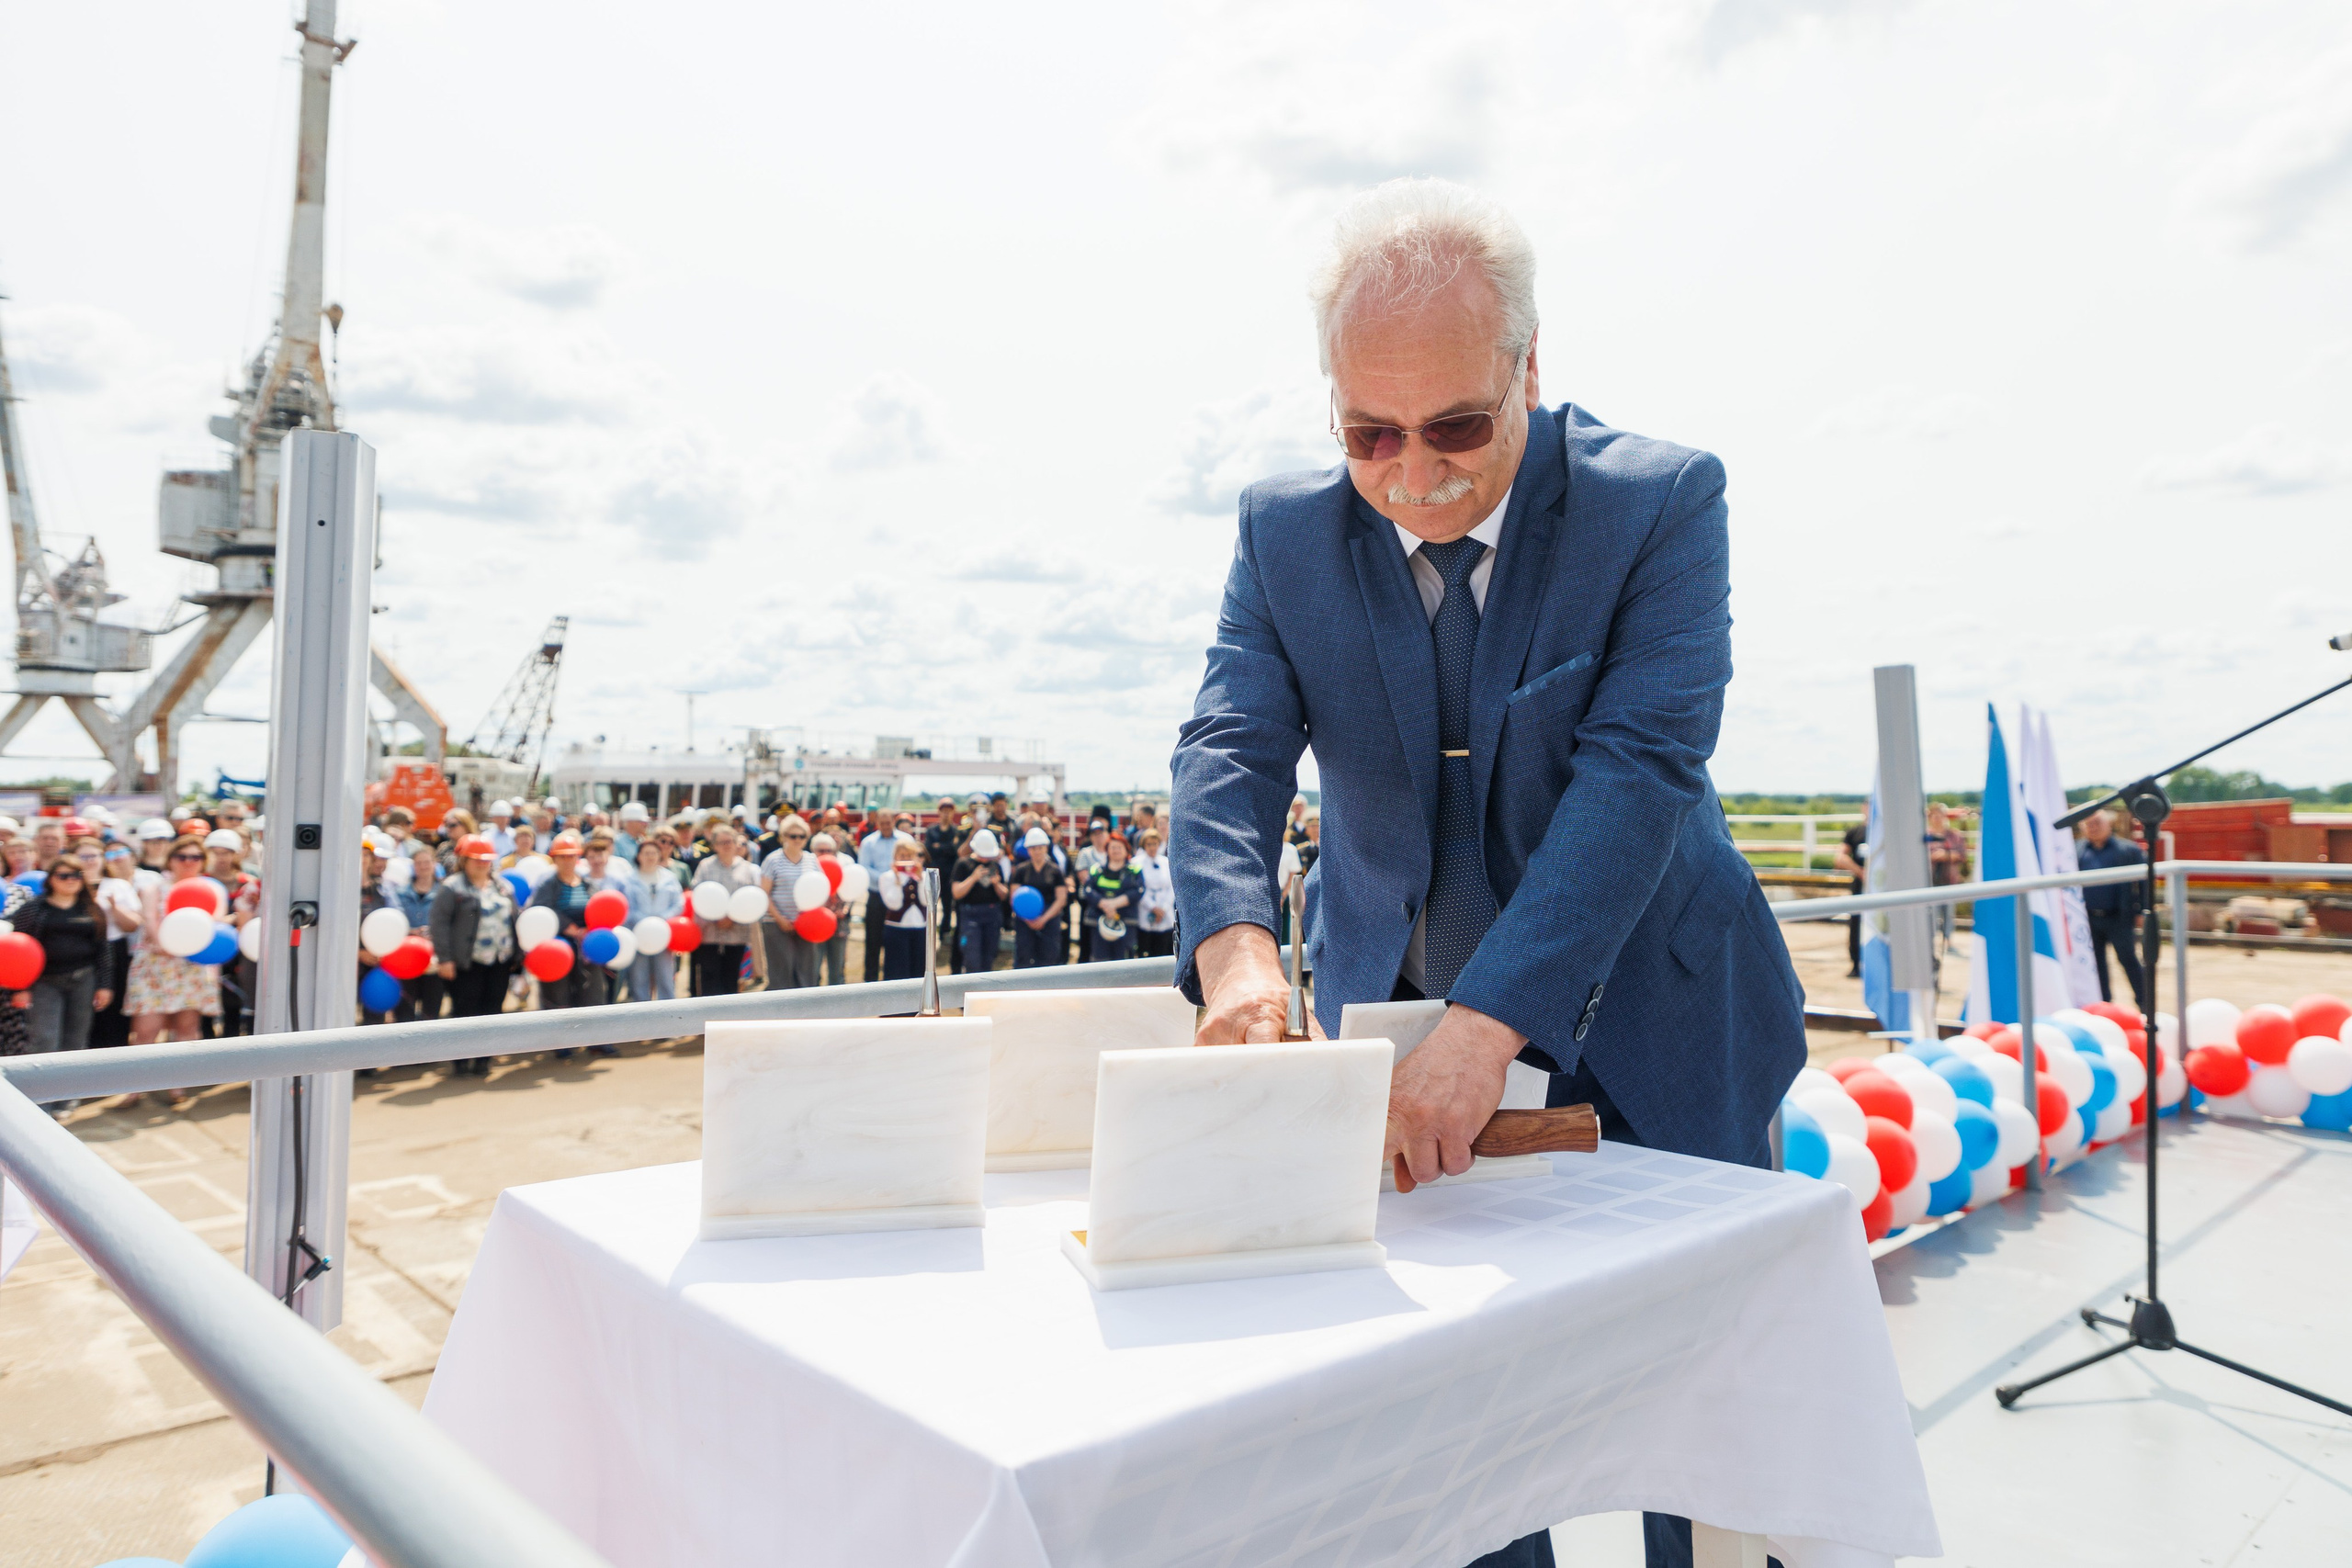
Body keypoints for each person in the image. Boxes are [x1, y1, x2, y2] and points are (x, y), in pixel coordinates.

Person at [1167, 179, 1803, 1568]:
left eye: (1458, 424)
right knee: (1446, 1409)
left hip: (1660, 1007)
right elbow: (1229, 744)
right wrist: (1237, 948)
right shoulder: (1283, 533)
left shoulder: (1662, 501)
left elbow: (1638, 774)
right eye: (1368, 434)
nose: (1415, 471)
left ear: (1531, 366)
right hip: (1398, 1013)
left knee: (1701, 1400)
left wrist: (1494, 1020)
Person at [127, 836, 223, 1106]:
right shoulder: (155, 888)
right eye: (183, 857)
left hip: (192, 967)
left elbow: (214, 924)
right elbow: (148, 919)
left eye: (196, 857)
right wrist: (165, 944)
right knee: (146, 1028)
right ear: (171, 860)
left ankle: (176, 1086)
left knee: (187, 1027)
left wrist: (188, 948)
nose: (189, 863)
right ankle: (134, 1086)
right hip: (155, 964)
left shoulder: (211, 889)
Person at [429, 834, 518, 1076]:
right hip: (467, 964)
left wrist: (517, 958)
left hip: (499, 962)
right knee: (465, 1012)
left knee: (492, 1010)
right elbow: (439, 925)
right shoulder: (452, 887)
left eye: (486, 860)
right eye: (476, 860)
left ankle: (483, 1060)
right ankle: (461, 1061)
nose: (482, 864)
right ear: (464, 860)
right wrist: (445, 958)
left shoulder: (502, 886)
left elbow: (515, 920)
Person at [16, 856, 112, 1058]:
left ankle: (71, 1088)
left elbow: (103, 949)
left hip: (84, 979)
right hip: (44, 982)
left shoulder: (93, 909)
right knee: (44, 1038)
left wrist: (105, 985)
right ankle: (41, 1087)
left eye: (76, 875)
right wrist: (21, 988)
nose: (70, 880)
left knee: (76, 1039)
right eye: (64, 876)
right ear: (51, 879)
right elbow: (19, 951)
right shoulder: (33, 909)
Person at [526, 832, 604, 1057]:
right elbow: (540, 909)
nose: (567, 860)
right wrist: (568, 926)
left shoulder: (588, 883)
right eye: (562, 856)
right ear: (554, 859)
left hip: (586, 946)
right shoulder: (548, 884)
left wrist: (588, 928)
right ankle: (561, 1043)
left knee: (592, 992)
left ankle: (594, 1040)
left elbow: (599, 909)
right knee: (558, 994)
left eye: (571, 856)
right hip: (557, 946)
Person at [2076, 807, 2148, 1007]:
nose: (2093, 828)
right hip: (2088, 918)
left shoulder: (2128, 850)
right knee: (2096, 965)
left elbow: (2144, 882)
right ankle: (2103, 1005)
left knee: (2128, 959)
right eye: (2089, 824)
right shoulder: (2077, 851)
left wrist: (2143, 909)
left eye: (2097, 823)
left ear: (2109, 824)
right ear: (2082, 828)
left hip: (2120, 917)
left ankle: (2145, 1003)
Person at [691, 824, 762, 999]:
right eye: (721, 842)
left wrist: (733, 917)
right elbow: (697, 894)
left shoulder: (747, 868)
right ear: (714, 845)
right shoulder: (705, 867)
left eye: (730, 841)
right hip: (708, 934)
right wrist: (715, 917)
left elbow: (753, 898)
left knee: (731, 980)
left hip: (737, 934)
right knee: (709, 978)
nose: (727, 845)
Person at [759, 815, 823, 990]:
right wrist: (780, 919)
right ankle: (779, 1014)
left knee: (806, 971)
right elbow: (764, 893)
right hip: (776, 923)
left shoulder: (812, 860)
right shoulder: (772, 860)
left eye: (802, 836)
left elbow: (820, 889)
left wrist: (808, 918)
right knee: (782, 971)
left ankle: (805, 1014)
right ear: (783, 837)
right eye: (792, 836)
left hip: (805, 924)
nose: (797, 840)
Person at [625, 837, 684, 1002]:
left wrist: (662, 919)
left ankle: (668, 1016)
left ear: (660, 855)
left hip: (664, 935)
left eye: (654, 853)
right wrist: (644, 922)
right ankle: (641, 1016)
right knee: (639, 978)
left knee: (665, 977)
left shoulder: (669, 877)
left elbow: (678, 903)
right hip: (637, 934)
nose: (650, 857)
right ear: (638, 856)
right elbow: (627, 907)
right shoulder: (629, 879)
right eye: (646, 853)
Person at [394, 843, 445, 1025]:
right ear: (413, 866)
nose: (423, 866)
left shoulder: (445, 892)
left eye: (427, 862)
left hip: (434, 959)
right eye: (419, 863)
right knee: (404, 1011)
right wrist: (410, 932)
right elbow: (393, 921)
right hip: (406, 958)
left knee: (431, 1011)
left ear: (434, 864)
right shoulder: (400, 893)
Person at [858, 809, 910, 982]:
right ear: (877, 823)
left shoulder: (906, 840)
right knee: (872, 942)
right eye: (883, 824)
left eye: (889, 823)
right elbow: (864, 867)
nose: (886, 827)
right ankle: (870, 983)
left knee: (897, 941)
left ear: (894, 821)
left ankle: (895, 980)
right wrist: (886, 879)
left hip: (901, 898)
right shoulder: (868, 843)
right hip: (876, 897)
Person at [951, 828, 1009, 975]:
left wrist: (996, 884)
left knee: (989, 956)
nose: (985, 860)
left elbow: (1005, 895)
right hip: (970, 914)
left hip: (992, 914)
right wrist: (973, 878)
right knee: (972, 957)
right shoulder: (963, 864)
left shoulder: (996, 866)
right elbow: (956, 893)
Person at [1010, 827, 1069, 968]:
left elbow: (1061, 899)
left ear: (1046, 848)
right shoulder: (1021, 870)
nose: (1037, 851)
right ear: (1028, 850)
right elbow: (1014, 897)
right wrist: (1028, 919)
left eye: (1040, 847)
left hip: (1050, 917)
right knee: (1024, 957)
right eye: (1033, 848)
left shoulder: (1055, 870)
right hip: (1025, 919)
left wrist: (1044, 918)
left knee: (1049, 957)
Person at [1081, 834, 1142, 963]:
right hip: (1099, 922)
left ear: (1126, 850)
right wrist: (1104, 904)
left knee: (1124, 961)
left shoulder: (1134, 871)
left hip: (1126, 922)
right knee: (1100, 960)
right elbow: (1088, 890)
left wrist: (1114, 904)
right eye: (1113, 847)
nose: (1116, 850)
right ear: (1107, 850)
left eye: (1119, 847)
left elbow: (1138, 891)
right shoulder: (1096, 870)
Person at [923, 799, 963, 972]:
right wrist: (945, 848)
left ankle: (944, 935)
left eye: (949, 810)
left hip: (949, 876)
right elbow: (930, 850)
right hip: (933, 873)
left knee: (948, 908)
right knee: (930, 907)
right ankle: (930, 937)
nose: (946, 814)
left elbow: (955, 850)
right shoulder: (932, 830)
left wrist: (942, 847)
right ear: (939, 812)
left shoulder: (956, 831)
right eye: (943, 810)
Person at [1071, 818, 1113, 963]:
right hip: (1089, 900)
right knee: (1087, 937)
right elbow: (1083, 877)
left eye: (1101, 833)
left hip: (1109, 901)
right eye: (1094, 834)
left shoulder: (1111, 851)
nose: (1098, 836)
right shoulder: (1085, 853)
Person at [1134, 826, 1177, 958]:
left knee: (1163, 950)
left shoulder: (1166, 862)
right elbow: (1137, 888)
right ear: (1143, 845)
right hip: (1146, 909)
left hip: (1165, 911)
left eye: (1155, 844)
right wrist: (1153, 907)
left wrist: (1162, 908)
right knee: (1146, 950)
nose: (1152, 847)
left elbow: (1172, 887)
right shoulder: (1136, 863)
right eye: (1149, 844)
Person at [1835, 819, 1868, 978]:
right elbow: (1840, 857)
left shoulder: (1890, 830)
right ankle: (1856, 964)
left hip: (1884, 885)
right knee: (1856, 923)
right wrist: (1861, 873)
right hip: (1860, 885)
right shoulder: (1855, 832)